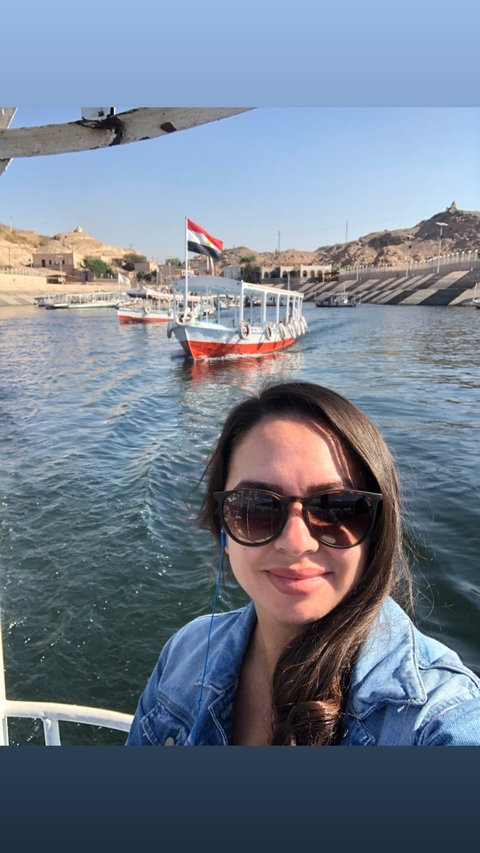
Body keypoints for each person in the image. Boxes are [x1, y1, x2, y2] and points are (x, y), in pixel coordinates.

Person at [126, 380, 480, 746]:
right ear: (223, 529)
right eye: (255, 507)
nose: (295, 543)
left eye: (338, 508)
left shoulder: (438, 716)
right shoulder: (184, 652)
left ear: (378, 531)